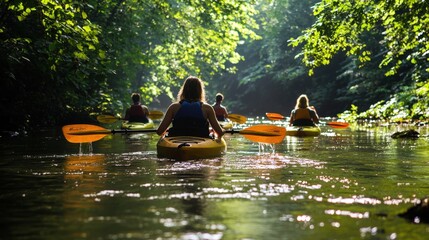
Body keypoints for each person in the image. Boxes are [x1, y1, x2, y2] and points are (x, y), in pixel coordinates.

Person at [156, 76, 224, 139]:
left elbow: (159, 132)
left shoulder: (174, 107)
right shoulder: (207, 108)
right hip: (201, 141)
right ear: (200, 91)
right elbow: (220, 133)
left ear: (184, 90)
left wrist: (166, 131)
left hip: (177, 141)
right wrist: (220, 131)